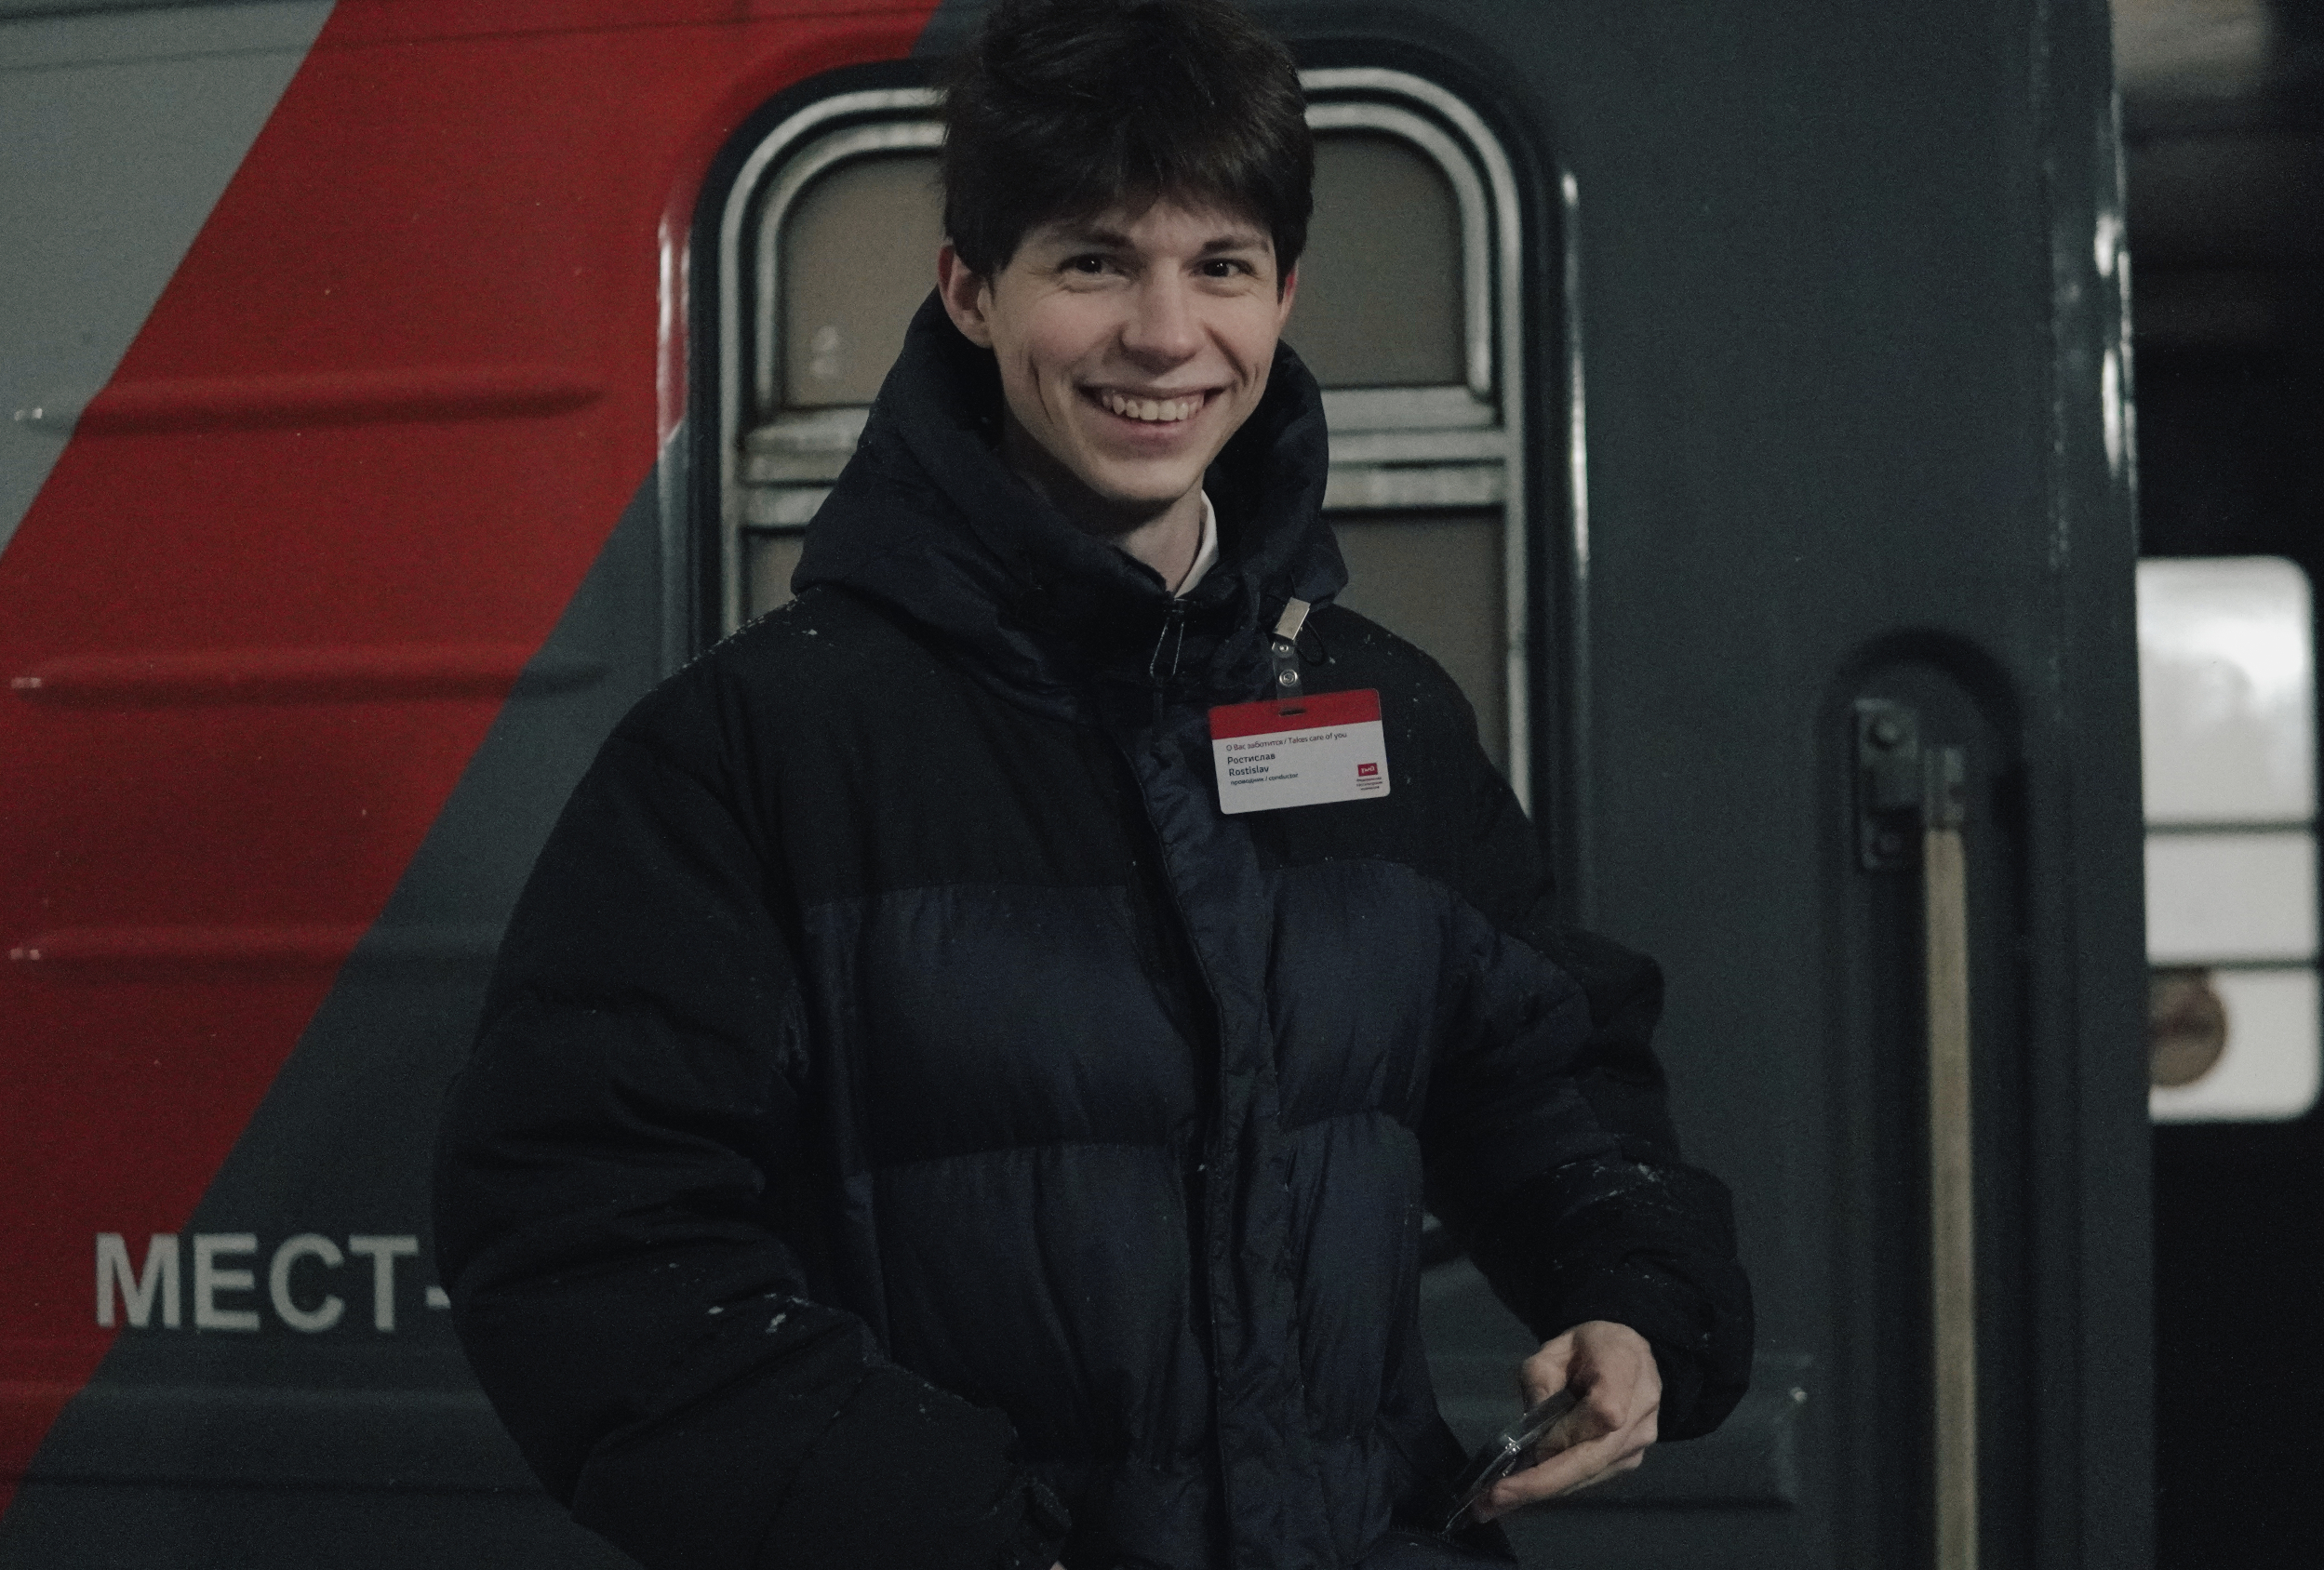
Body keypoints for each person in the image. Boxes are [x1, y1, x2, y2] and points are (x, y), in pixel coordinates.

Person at [432, 2, 1752, 1565]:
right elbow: (586, 1242)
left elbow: (1545, 1070)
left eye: (1223, 266)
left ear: (1284, 295)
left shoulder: (1381, 716)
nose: (1166, 334)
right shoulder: (753, 751)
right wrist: (962, 1535)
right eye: (1094, 263)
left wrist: (1632, 1293)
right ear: (970, 290)